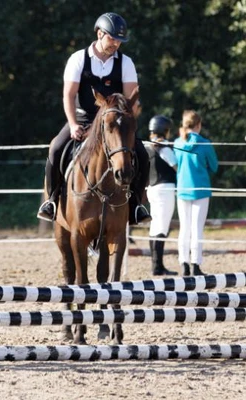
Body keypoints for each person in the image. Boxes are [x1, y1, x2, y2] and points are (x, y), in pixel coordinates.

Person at [37, 12, 151, 226]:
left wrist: (121, 127)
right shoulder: (78, 59)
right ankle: (51, 201)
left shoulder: (126, 63)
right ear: (100, 34)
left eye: (119, 40)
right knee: (55, 148)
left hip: (113, 123)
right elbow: (68, 95)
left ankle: (136, 205)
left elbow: (129, 102)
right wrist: (72, 125)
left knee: (142, 155)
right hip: (82, 119)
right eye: (112, 38)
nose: (116, 43)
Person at [174, 110, 218, 276]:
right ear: (198, 125)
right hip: (200, 189)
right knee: (197, 228)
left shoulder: (178, 142)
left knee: (184, 228)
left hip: (182, 189)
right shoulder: (205, 143)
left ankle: (183, 263)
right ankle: (196, 264)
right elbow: (214, 166)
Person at [145, 115, 178, 276]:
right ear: (164, 130)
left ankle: (156, 265)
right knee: (162, 227)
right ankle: (158, 266)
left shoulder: (148, 146)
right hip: (165, 189)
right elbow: (176, 167)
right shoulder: (164, 147)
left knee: (154, 227)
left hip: (152, 188)